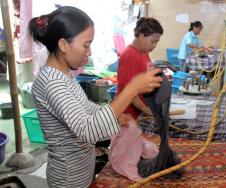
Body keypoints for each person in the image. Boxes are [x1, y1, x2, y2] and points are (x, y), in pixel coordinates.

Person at [28, 6, 162, 188]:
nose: (89, 52)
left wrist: (116, 116)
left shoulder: (62, 74)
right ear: (63, 45)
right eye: (86, 45)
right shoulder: (52, 82)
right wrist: (131, 89)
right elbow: (88, 131)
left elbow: (84, 107)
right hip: (69, 180)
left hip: (81, 172)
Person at [117, 17, 164, 120]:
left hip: (141, 109)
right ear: (141, 36)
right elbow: (128, 90)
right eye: (153, 41)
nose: (155, 45)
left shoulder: (144, 52)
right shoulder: (129, 55)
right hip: (129, 114)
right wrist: (146, 110)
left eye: (157, 42)